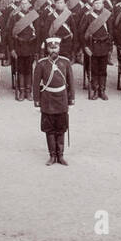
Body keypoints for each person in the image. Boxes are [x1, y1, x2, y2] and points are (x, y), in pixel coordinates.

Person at [32, 35, 74, 166]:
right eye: (51, 48)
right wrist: (37, 102)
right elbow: (35, 84)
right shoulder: (41, 63)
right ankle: (52, 156)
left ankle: (60, 156)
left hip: (61, 99)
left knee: (61, 128)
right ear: (47, 49)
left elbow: (71, 82)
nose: (54, 50)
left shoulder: (65, 62)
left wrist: (71, 99)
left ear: (59, 48)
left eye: (56, 47)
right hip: (47, 100)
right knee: (49, 129)